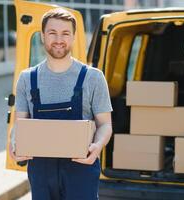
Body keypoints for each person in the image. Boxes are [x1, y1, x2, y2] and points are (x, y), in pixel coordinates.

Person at [9, 7, 113, 200]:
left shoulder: (93, 78)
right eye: (52, 33)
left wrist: (97, 146)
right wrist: (13, 143)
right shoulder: (27, 79)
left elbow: (105, 124)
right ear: (42, 36)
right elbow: (19, 124)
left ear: (73, 37)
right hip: (41, 171)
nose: (59, 39)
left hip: (81, 168)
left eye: (65, 33)